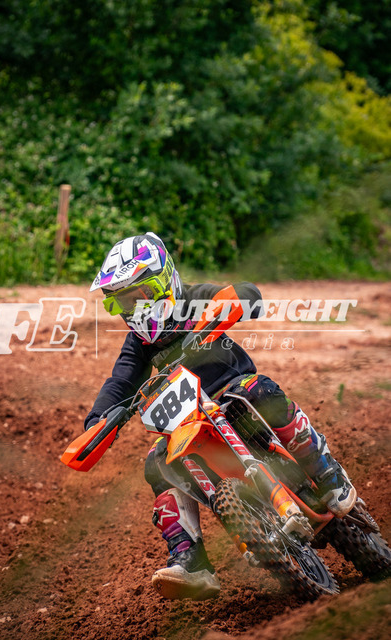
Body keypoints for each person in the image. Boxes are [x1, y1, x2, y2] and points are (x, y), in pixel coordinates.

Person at [85, 232, 356, 600]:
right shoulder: (139, 343)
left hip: (233, 393)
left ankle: (326, 472)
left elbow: (245, 293)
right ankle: (190, 558)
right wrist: (99, 419)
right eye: (123, 301)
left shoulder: (194, 300)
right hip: (191, 420)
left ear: (164, 282)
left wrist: (237, 301)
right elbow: (120, 380)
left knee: (260, 391)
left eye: (140, 295)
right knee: (157, 463)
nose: (135, 307)